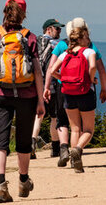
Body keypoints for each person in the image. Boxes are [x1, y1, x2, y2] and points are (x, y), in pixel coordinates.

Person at [0, 0, 45, 203]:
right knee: (23, 140)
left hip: (0, 94)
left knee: (1, 140)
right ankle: (23, 180)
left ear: (5, 12)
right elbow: (38, 72)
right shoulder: (30, 37)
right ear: (23, 14)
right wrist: (41, 101)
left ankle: (0, 186)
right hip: (27, 96)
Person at [44, 17, 106, 167]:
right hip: (85, 91)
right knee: (88, 130)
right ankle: (77, 150)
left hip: (67, 91)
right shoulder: (89, 51)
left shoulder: (64, 52)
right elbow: (95, 68)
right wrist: (91, 79)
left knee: (74, 128)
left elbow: (52, 70)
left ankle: (73, 161)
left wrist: (63, 78)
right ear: (82, 37)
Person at [30, 18, 66, 160]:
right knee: (54, 117)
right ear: (48, 29)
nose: (59, 31)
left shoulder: (35, 42)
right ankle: (56, 148)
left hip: (36, 84)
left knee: (38, 115)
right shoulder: (57, 45)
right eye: (57, 28)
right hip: (53, 84)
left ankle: (32, 143)